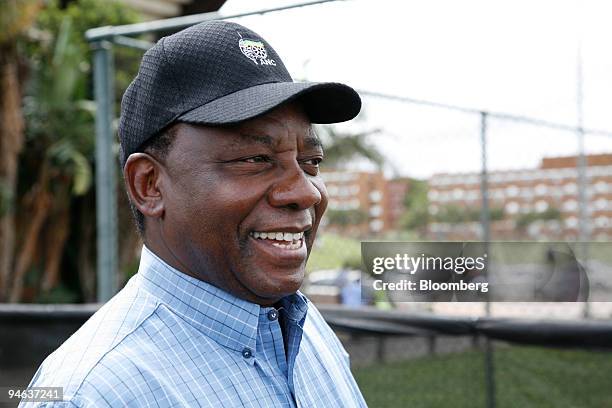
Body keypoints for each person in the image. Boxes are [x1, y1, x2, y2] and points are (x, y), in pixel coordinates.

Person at [22, 20, 366, 407]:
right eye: (255, 159)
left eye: (311, 161)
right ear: (149, 185)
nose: (304, 191)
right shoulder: (93, 394)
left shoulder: (306, 332)